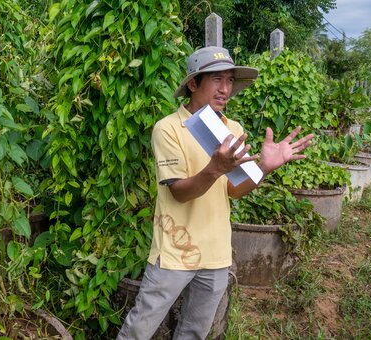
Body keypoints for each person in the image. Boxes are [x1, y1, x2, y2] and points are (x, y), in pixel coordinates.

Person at [117, 46, 314, 340]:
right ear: (193, 83)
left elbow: (234, 189)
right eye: (216, 80)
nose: (225, 89)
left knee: (195, 332)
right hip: (174, 252)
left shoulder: (231, 128)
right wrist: (215, 168)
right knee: (139, 329)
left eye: (230, 81)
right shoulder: (169, 128)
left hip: (217, 254)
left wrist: (264, 167)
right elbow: (180, 193)